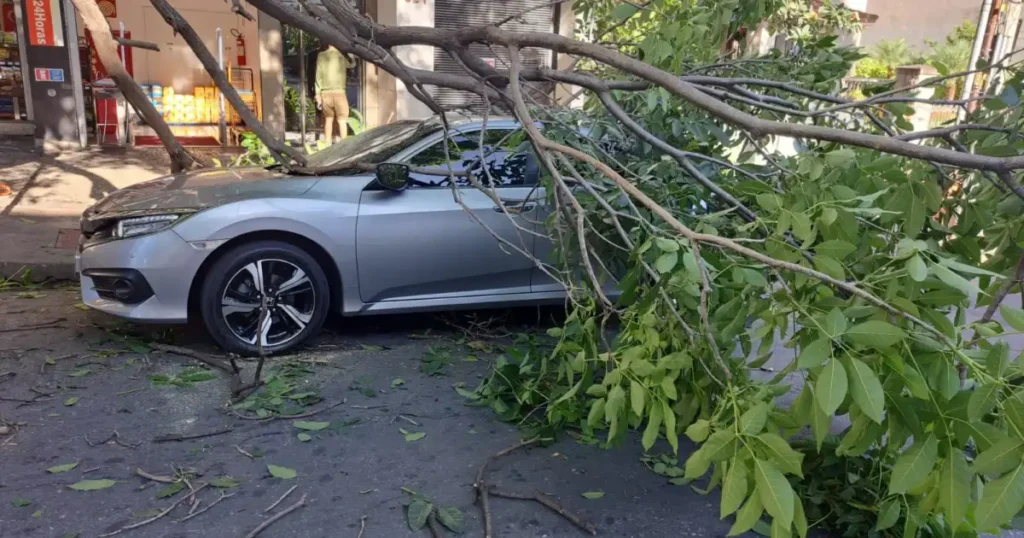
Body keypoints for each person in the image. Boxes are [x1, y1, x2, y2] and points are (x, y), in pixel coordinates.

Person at [314, 44, 352, 143]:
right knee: (342, 120)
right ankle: (345, 146)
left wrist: (317, 94)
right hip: (340, 92)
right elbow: (352, 64)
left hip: (325, 93)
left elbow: (318, 76)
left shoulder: (321, 56)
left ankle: (327, 145)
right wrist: (350, 52)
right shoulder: (341, 56)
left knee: (328, 119)